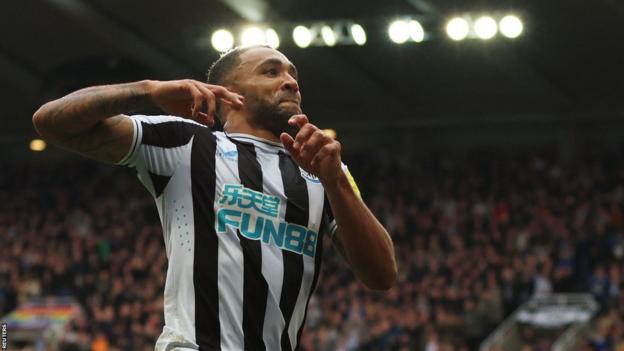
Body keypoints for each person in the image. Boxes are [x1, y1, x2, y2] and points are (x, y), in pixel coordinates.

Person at [32, 45, 397, 351]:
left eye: (293, 75)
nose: (290, 82)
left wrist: (335, 180)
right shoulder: (189, 142)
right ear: (228, 90)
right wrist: (147, 89)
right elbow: (51, 121)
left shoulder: (325, 168)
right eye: (271, 72)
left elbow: (382, 275)